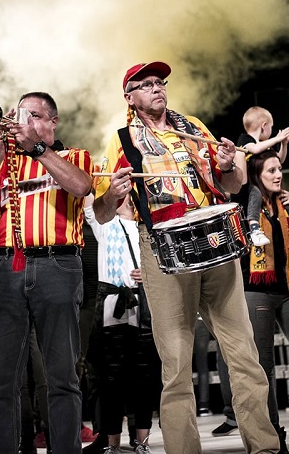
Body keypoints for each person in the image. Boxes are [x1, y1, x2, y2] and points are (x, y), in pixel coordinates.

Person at [92, 61, 281, 454]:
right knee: (176, 364)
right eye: (145, 85)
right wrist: (115, 192)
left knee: (244, 354)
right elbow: (103, 211)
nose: (156, 88)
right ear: (129, 97)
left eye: (160, 82)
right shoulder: (123, 140)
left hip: (213, 239)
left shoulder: (193, 126)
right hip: (162, 245)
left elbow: (231, 186)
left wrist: (229, 165)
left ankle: (264, 448)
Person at [0, 91, 94, 454]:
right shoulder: (6, 162)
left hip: (57, 265)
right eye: (19, 115)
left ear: (52, 122)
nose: (24, 122)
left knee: (61, 377)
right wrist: (0, 148)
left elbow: (82, 186)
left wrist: (36, 148)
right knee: (0, 380)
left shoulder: (72, 155)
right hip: (5, 267)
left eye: (33, 115)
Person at [213, 149, 289, 454]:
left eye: (279, 168)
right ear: (257, 175)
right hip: (257, 290)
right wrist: (277, 141)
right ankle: (274, 436)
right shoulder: (247, 201)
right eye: (270, 170)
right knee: (264, 368)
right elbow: (244, 150)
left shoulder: (287, 205)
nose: (278, 174)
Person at [83, 193, 161, 454]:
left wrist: (149, 274)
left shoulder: (147, 230)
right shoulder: (103, 224)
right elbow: (86, 196)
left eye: (128, 192)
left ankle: (142, 442)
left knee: (144, 377)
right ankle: (112, 445)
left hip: (143, 304)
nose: (123, 194)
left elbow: (164, 267)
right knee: (111, 379)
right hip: (112, 303)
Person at [234, 106, 289, 247]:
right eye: (271, 127)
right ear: (264, 126)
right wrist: (277, 138)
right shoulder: (245, 139)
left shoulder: (265, 145)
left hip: (262, 189)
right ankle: (254, 228)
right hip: (248, 188)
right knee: (255, 192)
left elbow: (279, 159)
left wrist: (283, 144)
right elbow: (255, 149)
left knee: (285, 200)